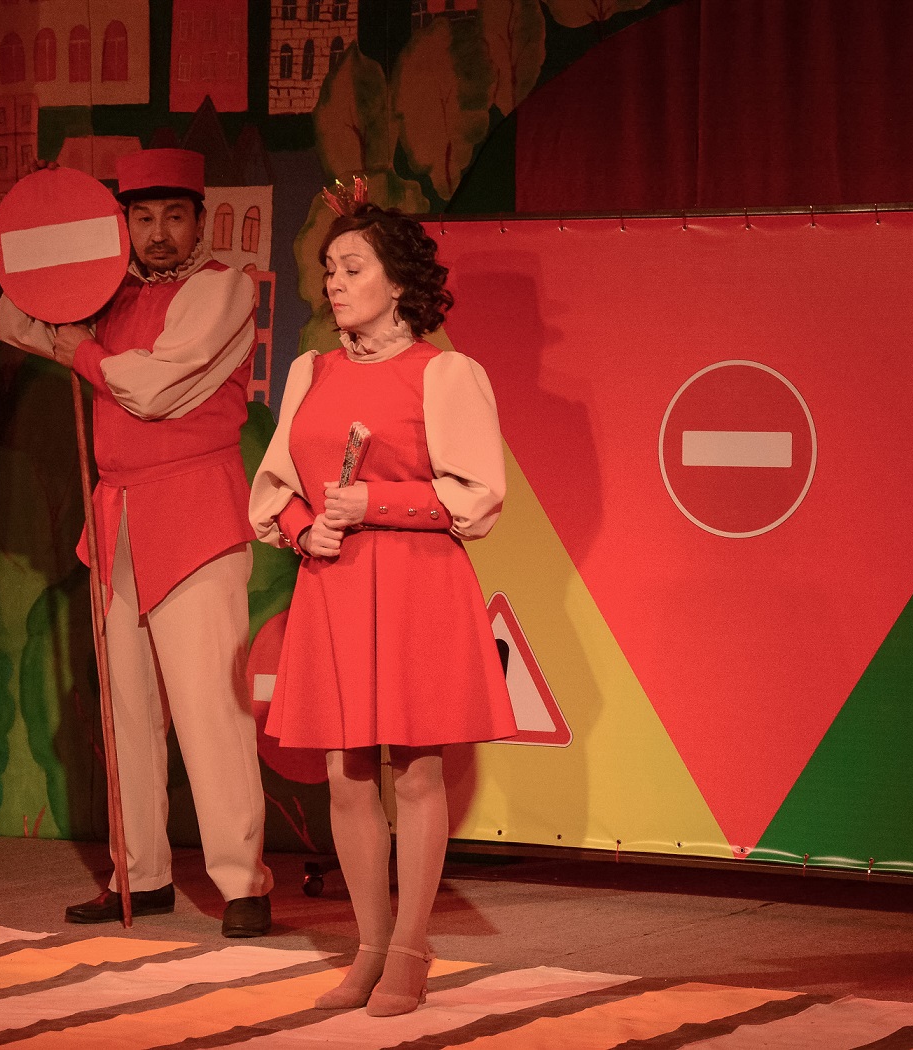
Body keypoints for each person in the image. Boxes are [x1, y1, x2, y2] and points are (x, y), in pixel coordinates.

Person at [0, 147, 273, 937]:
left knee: (210, 711)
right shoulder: (107, 295)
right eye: (141, 218)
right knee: (127, 714)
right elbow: (11, 316)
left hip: (193, 516)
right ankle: (140, 875)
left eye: (173, 217)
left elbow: (151, 388)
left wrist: (79, 348)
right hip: (116, 519)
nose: (158, 234)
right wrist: (52, 221)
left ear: (199, 220)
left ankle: (242, 883)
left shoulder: (221, 288)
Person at [250, 201, 516, 1015]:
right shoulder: (311, 371)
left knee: (417, 771)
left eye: (353, 268)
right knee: (346, 773)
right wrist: (304, 530)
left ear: (398, 283)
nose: (334, 283)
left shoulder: (444, 374)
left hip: (414, 582)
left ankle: (410, 946)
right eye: (329, 270)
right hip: (333, 584)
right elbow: (275, 487)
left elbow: (478, 496)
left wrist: (377, 503)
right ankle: (369, 945)